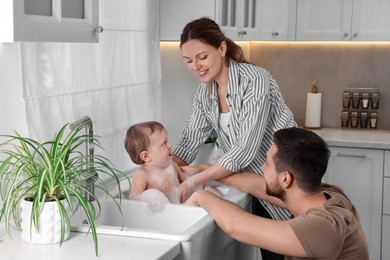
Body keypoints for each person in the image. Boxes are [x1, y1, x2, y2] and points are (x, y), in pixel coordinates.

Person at [172, 17, 296, 259]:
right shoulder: (204, 92)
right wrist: (160, 169)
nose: (195, 66)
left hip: (286, 183)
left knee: (291, 254)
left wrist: (192, 181)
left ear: (222, 48)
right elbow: (188, 143)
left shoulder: (256, 80)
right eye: (188, 60)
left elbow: (245, 150)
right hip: (253, 185)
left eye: (202, 57)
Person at [186, 127, 369, 260]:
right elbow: (255, 184)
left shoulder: (323, 227)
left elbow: (236, 226)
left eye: (267, 164)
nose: (263, 168)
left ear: (285, 179)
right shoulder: (329, 194)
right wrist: (201, 171)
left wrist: (202, 196)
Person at [124, 121, 220, 205]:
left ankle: (220, 203)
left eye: (167, 141)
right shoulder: (142, 175)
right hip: (163, 214)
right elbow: (135, 201)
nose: (169, 145)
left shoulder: (172, 166)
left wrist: (192, 185)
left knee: (205, 189)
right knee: (200, 196)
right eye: (163, 143)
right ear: (146, 156)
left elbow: (186, 182)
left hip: (180, 206)